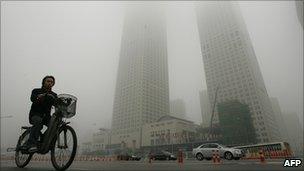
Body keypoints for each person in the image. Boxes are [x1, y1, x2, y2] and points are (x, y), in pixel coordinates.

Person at [26, 76, 58, 152]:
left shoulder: (54, 95)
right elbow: (33, 99)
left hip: (46, 117)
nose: (50, 83)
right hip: (35, 115)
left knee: (56, 125)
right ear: (43, 82)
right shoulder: (36, 91)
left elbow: (57, 103)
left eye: (51, 82)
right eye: (48, 81)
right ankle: (31, 144)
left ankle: (44, 140)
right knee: (38, 121)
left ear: (53, 84)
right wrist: (39, 97)